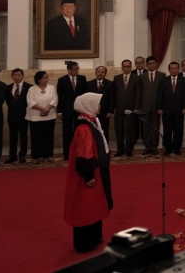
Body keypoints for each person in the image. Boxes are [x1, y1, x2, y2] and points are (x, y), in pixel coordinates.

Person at [64, 93, 113, 253]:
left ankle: (95, 237)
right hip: (87, 175)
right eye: (97, 104)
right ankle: (85, 242)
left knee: (94, 205)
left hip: (94, 171)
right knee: (86, 206)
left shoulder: (90, 122)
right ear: (88, 105)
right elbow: (84, 153)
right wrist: (89, 176)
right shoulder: (84, 127)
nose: (99, 107)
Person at [57, 61, 88, 160]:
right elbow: (59, 96)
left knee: (80, 131)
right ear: (69, 70)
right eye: (75, 69)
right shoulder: (62, 80)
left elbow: (85, 95)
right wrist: (59, 111)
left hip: (79, 110)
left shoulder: (82, 79)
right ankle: (67, 153)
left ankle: (79, 151)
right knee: (67, 131)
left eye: (78, 68)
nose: (77, 71)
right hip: (67, 110)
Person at [26, 71, 58, 163]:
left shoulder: (52, 87)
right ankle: (36, 156)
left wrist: (46, 109)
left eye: (47, 78)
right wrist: (42, 109)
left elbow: (55, 100)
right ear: (38, 79)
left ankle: (48, 155)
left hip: (49, 115)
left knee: (49, 136)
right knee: (36, 137)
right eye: (44, 78)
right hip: (36, 116)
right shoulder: (32, 89)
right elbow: (30, 102)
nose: (46, 80)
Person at [111, 60, 141, 157]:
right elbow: (114, 94)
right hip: (119, 108)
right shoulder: (117, 78)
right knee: (119, 130)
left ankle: (129, 150)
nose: (127, 68)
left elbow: (138, 94)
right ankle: (120, 150)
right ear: (122, 67)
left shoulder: (136, 78)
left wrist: (136, 108)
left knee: (130, 130)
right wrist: (113, 108)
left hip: (131, 109)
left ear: (131, 67)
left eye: (128, 66)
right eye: (125, 66)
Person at [157, 62, 185, 156]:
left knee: (178, 131)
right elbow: (159, 96)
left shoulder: (184, 80)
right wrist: (160, 108)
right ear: (169, 70)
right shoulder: (164, 80)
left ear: (179, 69)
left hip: (179, 110)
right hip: (167, 111)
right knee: (167, 131)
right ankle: (168, 149)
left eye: (176, 68)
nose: (174, 70)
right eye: (172, 68)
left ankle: (177, 148)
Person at [4, 68, 32, 164]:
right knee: (12, 137)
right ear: (12, 77)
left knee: (23, 136)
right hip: (12, 116)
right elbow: (8, 102)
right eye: (14, 75)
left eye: (18, 75)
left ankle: (22, 155)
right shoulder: (8, 88)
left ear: (22, 76)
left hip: (24, 116)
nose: (16, 77)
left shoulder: (29, 87)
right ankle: (12, 155)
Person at [139, 56, 165, 156]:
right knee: (145, 128)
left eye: (154, 63)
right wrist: (139, 106)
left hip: (156, 107)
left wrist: (161, 107)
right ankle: (147, 147)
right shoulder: (142, 76)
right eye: (150, 64)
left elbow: (163, 93)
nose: (152, 65)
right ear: (146, 65)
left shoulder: (162, 75)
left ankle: (154, 147)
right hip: (144, 107)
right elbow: (140, 92)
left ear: (156, 64)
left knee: (155, 127)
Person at [87, 66, 113, 138]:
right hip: (92, 112)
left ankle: (105, 148)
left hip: (105, 112)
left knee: (104, 131)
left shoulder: (110, 84)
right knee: (93, 131)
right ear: (95, 73)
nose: (100, 74)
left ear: (105, 73)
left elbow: (111, 98)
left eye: (102, 72)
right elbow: (87, 98)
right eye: (98, 72)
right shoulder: (89, 83)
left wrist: (110, 111)